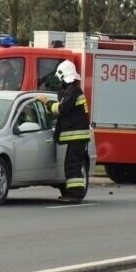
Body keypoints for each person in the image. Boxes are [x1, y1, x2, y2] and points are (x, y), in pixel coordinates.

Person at [39, 60, 90, 204]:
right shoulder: (72, 91)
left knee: (72, 165)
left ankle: (74, 194)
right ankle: (74, 193)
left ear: (64, 77)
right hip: (77, 137)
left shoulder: (74, 91)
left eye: (60, 79)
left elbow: (61, 109)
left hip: (77, 137)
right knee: (72, 164)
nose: (59, 82)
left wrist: (47, 103)